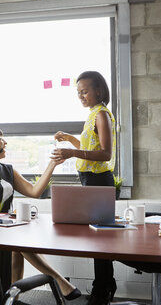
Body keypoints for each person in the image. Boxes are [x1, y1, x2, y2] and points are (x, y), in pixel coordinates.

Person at [0, 127, 82, 302]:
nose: (5, 142)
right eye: (0, 139)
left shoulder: (8, 170)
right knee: (18, 244)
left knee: (17, 244)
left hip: (5, 228)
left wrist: (52, 165)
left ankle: (13, 296)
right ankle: (56, 280)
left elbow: (34, 191)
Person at [51, 71, 117, 305]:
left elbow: (105, 154)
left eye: (85, 91)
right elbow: (90, 147)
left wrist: (71, 152)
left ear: (98, 90)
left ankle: (103, 289)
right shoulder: (92, 114)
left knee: (100, 240)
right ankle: (103, 286)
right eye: (78, 92)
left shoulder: (101, 115)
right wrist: (71, 140)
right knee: (95, 238)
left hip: (99, 181)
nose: (81, 95)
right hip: (90, 180)